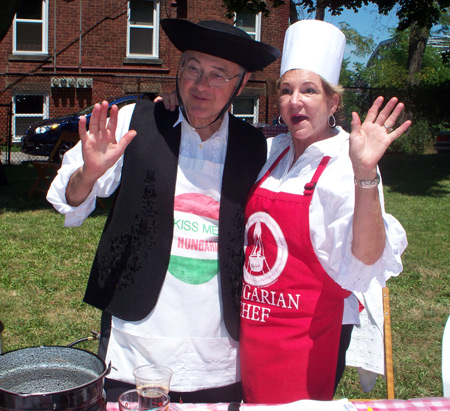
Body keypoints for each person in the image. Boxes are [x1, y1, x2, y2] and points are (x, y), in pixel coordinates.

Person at [47, 18, 279, 403]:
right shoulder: (135, 122)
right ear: (178, 69)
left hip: (220, 349)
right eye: (192, 68)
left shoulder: (257, 147)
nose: (201, 85)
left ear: (242, 82)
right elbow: (68, 200)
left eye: (218, 75)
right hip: (138, 341)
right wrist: (88, 174)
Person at [239, 19, 410, 403]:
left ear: (333, 102)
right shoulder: (274, 152)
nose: (294, 101)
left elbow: (366, 254)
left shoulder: (347, 158)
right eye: (286, 90)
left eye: (309, 90)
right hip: (256, 327)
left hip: (309, 335)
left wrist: (365, 173)